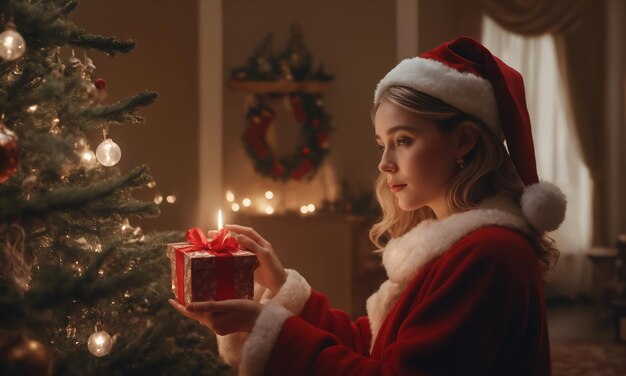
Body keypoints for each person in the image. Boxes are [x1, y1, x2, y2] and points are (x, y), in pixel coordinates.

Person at [170, 36, 567, 375]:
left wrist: (265, 326)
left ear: (463, 140)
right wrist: (280, 287)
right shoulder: (457, 246)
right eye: (382, 144)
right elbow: (378, 346)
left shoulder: (487, 257)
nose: (384, 163)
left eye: (404, 140)